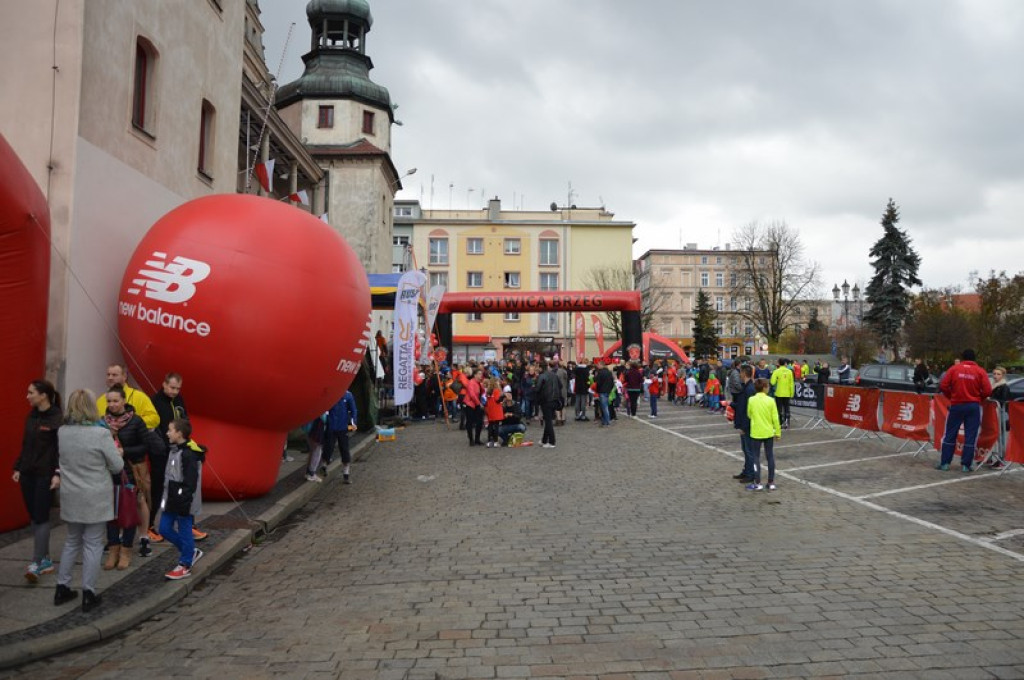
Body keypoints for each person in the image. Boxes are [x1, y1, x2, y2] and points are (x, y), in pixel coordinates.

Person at [54, 389, 123, 612]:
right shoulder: (100, 434)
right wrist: (118, 453)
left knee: (72, 540)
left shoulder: (63, 432)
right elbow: (117, 466)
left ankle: (62, 586)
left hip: (71, 494)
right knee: (93, 543)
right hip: (95, 496)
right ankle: (88, 592)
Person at [13, 380, 62, 584]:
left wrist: (57, 473)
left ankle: (37, 562)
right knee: (34, 516)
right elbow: (26, 445)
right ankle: (46, 559)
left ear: (43, 395)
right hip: (27, 474)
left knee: (41, 517)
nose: (27, 396)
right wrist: (18, 467)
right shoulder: (31, 416)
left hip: (45, 475)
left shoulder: (57, 419)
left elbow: (61, 450)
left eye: (30, 392)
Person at [102, 385, 153, 569]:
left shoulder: (136, 421)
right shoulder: (102, 421)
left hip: (131, 471)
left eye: (116, 401)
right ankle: (113, 549)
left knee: (128, 509)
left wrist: (125, 451)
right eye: (109, 401)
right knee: (111, 512)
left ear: (124, 401)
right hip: (109, 473)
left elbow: (146, 446)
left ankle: (126, 550)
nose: (112, 404)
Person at [149, 372, 198, 544]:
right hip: (161, 452)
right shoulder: (155, 401)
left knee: (182, 485)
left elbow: (185, 420)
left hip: (178, 450)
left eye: (178, 388)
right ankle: (150, 525)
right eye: (172, 387)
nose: (175, 391)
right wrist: (162, 446)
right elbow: (153, 427)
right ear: (164, 384)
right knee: (158, 488)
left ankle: (187, 523)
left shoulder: (179, 400)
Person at [160, 418, 207, 580]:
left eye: (170, 430)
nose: (167, 433)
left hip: (184, 501)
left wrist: (184, 502)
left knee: (185, 530)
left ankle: (185, 564)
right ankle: (191, 552)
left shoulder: (188, 454)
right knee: (164, 529)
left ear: (179, 433)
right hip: (171, 498)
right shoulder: (173, 450)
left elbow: (190, 482)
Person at [937, 349, 992, 472]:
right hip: (973, 406)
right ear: (974, 358)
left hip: (957, 405)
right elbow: (988, 390)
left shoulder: (954, 369)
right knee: (970, 435)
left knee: (950, 434)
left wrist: (951, 396)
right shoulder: (980, 371)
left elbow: (943, 385)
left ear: (962, 358)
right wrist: (979, 398)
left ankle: (945, 463)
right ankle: (966, 465)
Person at [96, 363, 160, 429]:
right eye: (108, 375)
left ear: (125, 376)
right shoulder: (100, 401)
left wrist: (130, 423)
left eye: (114, 375)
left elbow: (154, 419)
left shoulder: (139, 396)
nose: (110, 378)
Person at [746, 378, 782, 491]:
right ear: (764, 387)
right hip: (768, 432)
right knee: (770, 456)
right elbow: (775, 417)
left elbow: (749, 414)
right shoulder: (771, 400)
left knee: (756, 457)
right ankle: (771, 482)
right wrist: (778, 432)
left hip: (756, 432)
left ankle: (758, 482)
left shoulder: (751, 400)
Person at [322, 390, 357, 482]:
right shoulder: (330, 393)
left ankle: (346, 474)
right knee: (328, 447)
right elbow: (325, 409)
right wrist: (325, 422)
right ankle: (324, 465)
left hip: (342, 427)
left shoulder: (348, 395)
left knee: (344, 449)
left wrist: (353, 423)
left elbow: (353, 410)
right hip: (331, 426)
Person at [731, 365, 757, 483]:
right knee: (745, 449)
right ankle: (746, 471)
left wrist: (744, 426)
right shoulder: (746, 388)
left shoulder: (749, 389)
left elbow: (749, 409)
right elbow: (742, 405)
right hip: (743, 423)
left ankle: (751, 474)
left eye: (740, 373)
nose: (739, 375)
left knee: (749, 450)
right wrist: (731, 404)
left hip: (746, 424)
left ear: (744, 374)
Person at [988, 366, 1011, 469]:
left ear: (1003, 375)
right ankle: (992, 458)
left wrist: (991, 399)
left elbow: (1004, 401)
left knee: (1000, 437)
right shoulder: (993, 385)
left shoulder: (1004, 386)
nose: (996, 376)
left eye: (998, 374)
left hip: (1000, 413)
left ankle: (1001, 460)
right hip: (992, 413)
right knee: (992, 435)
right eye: (994, 374)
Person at [535, 361, 561, 448]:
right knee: (548, 419)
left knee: (548, 421)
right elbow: (560, 386)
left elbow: (538, 388)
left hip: (546, 400)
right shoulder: (555, 375)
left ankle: (552, 442)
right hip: (555, 400)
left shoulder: (542, 376)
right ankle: (544, 440)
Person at [770, 359, 795, 429]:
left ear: (779, 364)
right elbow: (791, 383)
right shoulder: (789, 371)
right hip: (787, 393)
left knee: (779, 409)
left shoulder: (776, 371)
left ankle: (780, 423)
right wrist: (792, 393)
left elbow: (772, 382)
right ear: (785, 363)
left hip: (779, 393)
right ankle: (787, 422)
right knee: (787, 408)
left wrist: (777, 379)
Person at [463, 368, 485, 446]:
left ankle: (477, 439)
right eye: (479, 374)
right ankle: (471, 439)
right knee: (470, 422)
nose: (481, 376)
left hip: (476, 404)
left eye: (481, 374)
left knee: (479, 422)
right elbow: (472, 395)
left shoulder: (478, 383)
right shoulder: (471, 382)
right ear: (475, 375)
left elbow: (482, 392)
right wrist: (479, 404)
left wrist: (481, 385)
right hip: (470, 404)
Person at [483, 378, 505, 447]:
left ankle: (489, 442)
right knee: (496, 426)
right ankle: (496, 442)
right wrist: (503, 396)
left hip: (490, 411)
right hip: (496, 410)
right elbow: (497, 400)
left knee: (490, 426)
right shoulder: (496, 391)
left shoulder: (488, 391)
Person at [594, 360, 615, 427]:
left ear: (601, 365)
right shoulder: (609, 372)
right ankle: (604, 421)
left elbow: (597, 382)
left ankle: (607, 421)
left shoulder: (600, 373)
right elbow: (612, 382)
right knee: (605, 406)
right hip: (607, 391)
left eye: (598, 365)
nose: (597, 366)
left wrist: (597, 389)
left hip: (602, 391)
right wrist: (610, 389)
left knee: (604, 407)